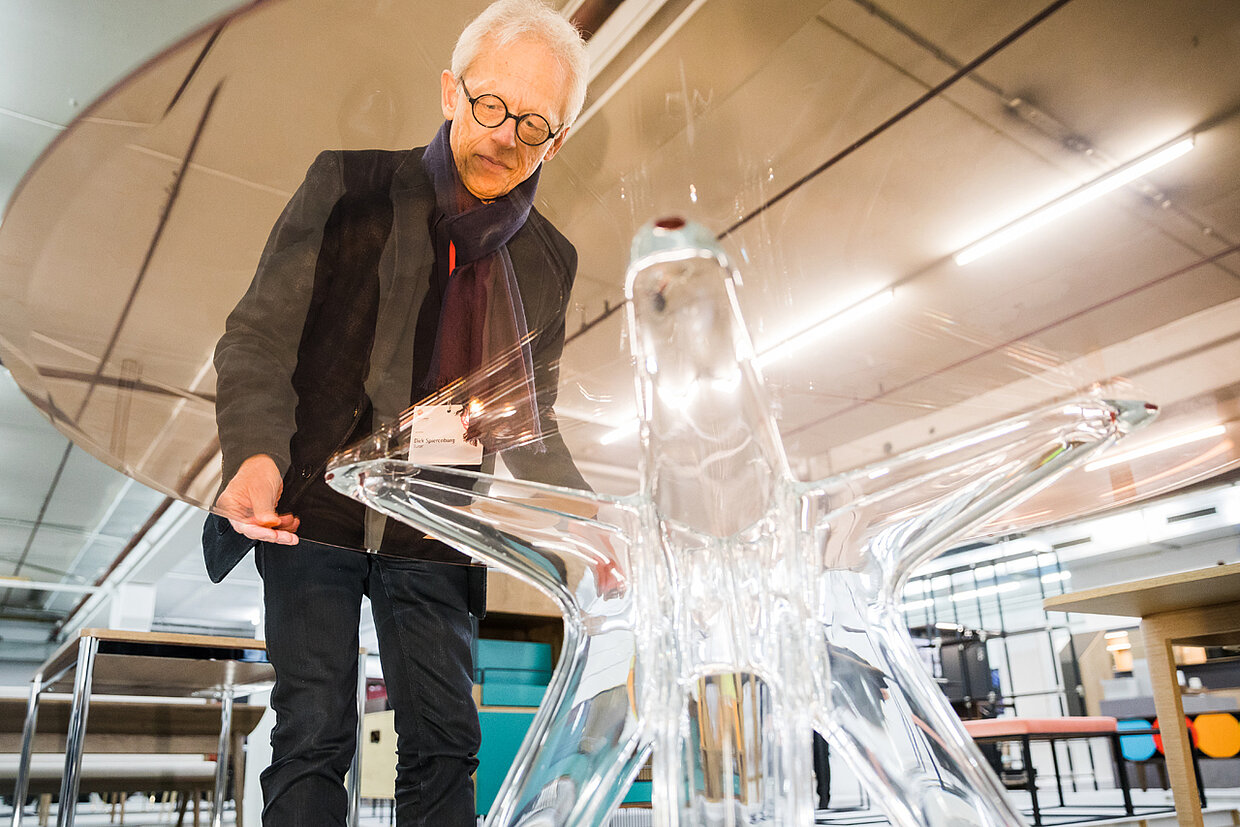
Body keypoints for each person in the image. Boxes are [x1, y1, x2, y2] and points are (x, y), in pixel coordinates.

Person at [201, 2, 590, 824]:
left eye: (533, 125)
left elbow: (530, 419)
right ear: (451, 92)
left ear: (556, 142)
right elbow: (256, 338)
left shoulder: (549, 261)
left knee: (447, 743)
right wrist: (256, 456)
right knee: (314, 732)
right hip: (312, 509)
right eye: (491, 105)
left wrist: (589, 525)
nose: (505, 137)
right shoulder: (350, 188)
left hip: (437, 526)